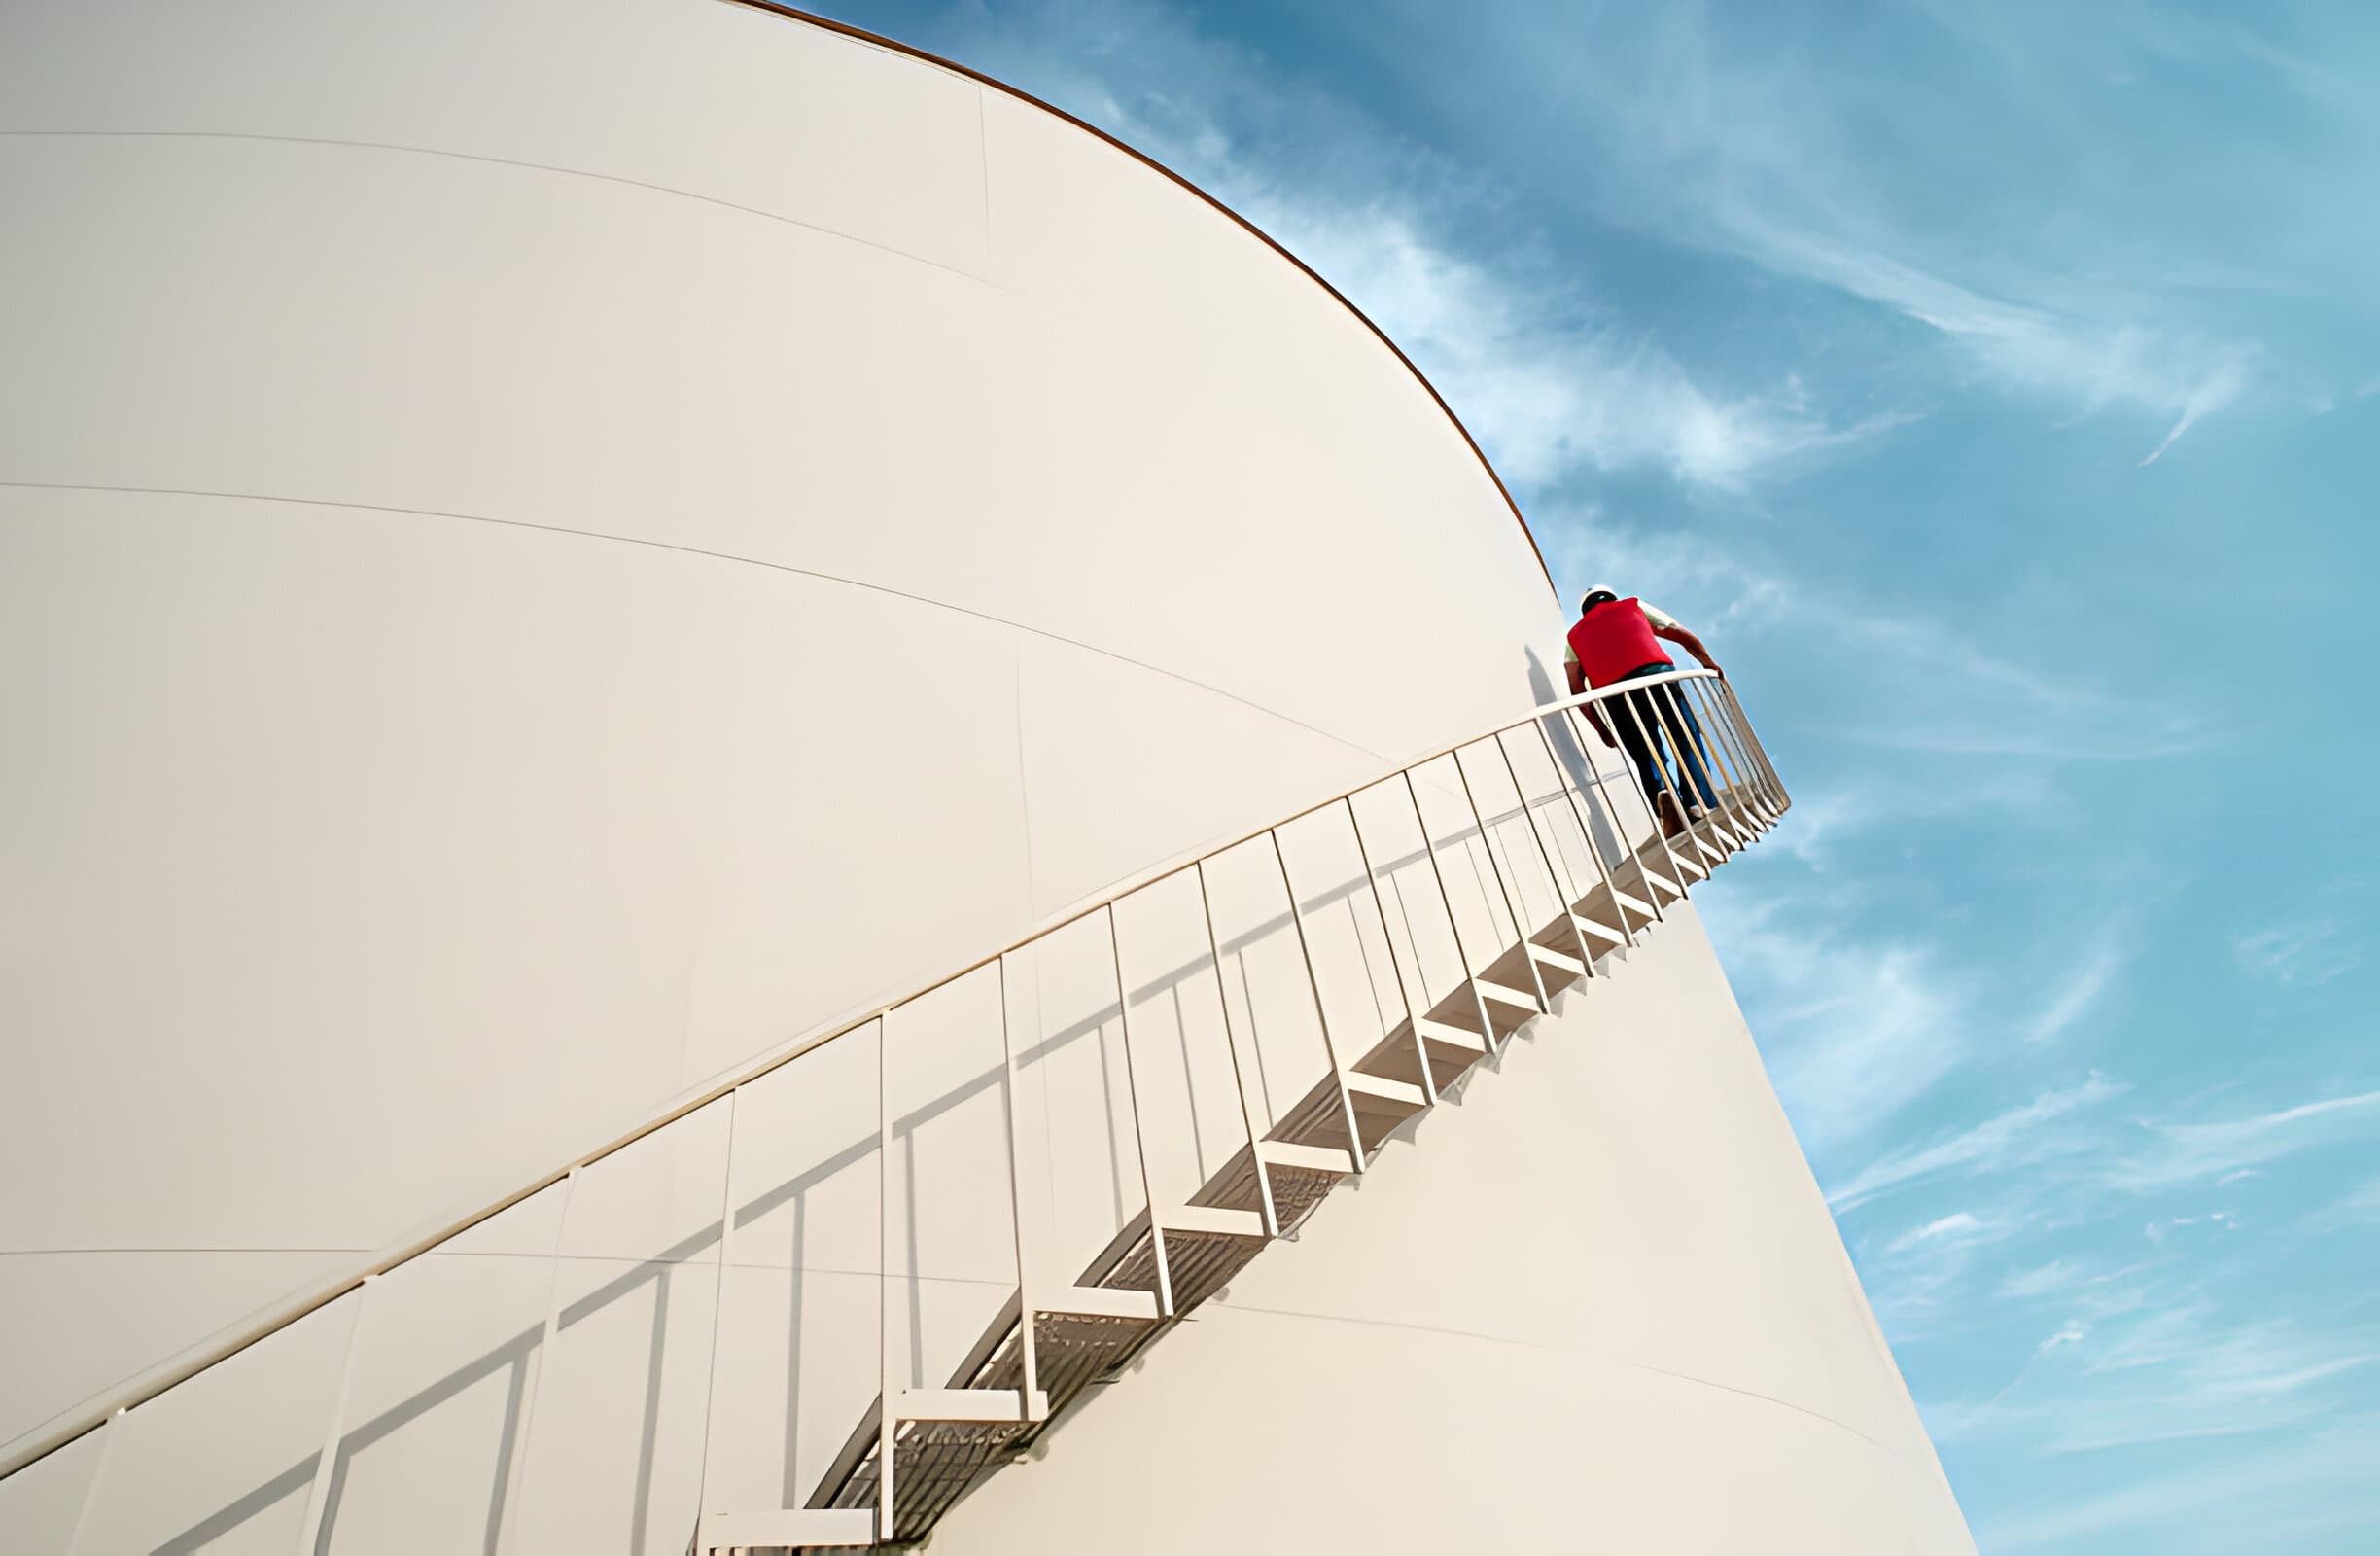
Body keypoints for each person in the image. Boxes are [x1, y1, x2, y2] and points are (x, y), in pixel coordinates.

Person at [1564, 585, 1722, 837]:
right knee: (1685, 737)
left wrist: (1601, 729)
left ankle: (1662, 797)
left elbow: (1576, 687)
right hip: (1656, 676)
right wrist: (1709, 663)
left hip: (1616, 695)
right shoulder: (1633, 606)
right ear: (1612, 598)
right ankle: (1697, 802)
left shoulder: (1574, 637)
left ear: (1585, 610)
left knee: (1644, 753)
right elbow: (1678, 633)